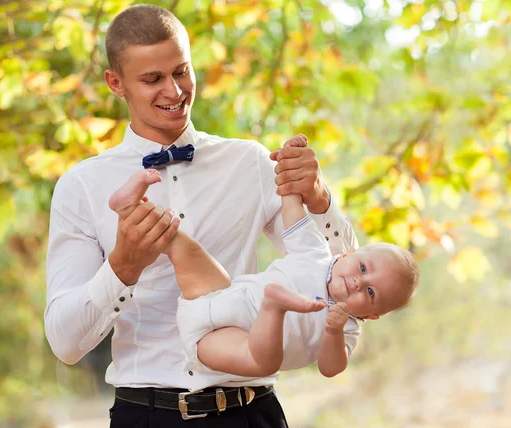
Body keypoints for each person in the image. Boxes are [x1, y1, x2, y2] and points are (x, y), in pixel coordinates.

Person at [45, 4, 357, 427]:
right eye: (153, 79)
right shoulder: (82, 186)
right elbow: (65, 343)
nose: (174, 92)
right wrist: (122, 267)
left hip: (252, 412)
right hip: (146, 416)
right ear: (115, 83)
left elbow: (348, 277)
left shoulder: (250, 163)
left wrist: (318, 199)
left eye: (181, 72)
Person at [108, 135, 418, 386]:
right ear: (348, 252)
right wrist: (288, 168)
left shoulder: (346, 327)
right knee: (180, 244)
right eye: (362, 269)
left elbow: (330, 368)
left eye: (370, 293)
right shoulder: (316, 252)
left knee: (261, 362)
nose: (357, 282)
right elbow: (293, 211)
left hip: (221, 340)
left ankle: (274, 307)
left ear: (373, 315)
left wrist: (333, 332)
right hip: (217, 296)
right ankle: (129, 207)